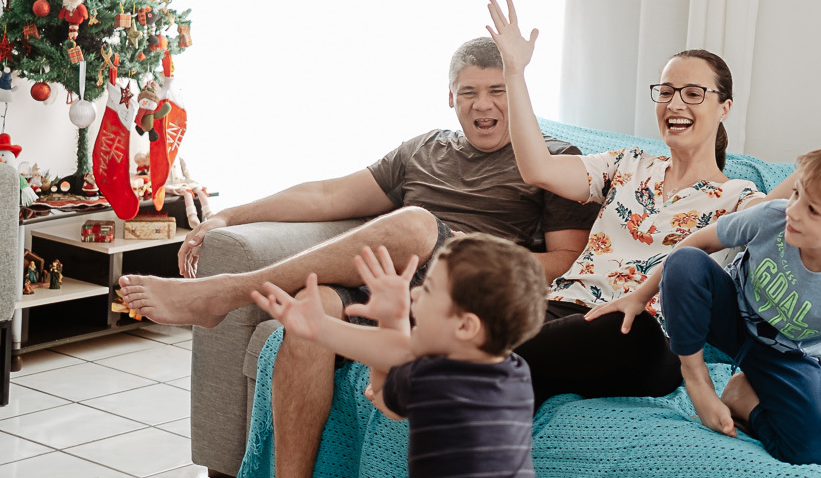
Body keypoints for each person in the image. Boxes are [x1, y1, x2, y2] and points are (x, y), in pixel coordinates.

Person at [117, 37, 598, 476]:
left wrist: (459, 254)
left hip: (458, 292)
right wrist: (229, 216)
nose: (483, 104)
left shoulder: (554, 160)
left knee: (415, 223)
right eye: (468, 91)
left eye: (497, 90)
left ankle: (223, 293)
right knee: (311, 313)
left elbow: (565, 261)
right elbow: (327, 196)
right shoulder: (423, 150)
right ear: (450, 96)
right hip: (390, 290)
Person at [484, 0, 821, 467]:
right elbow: (537, 168)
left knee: (623, 328)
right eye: (665, 91)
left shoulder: (742, 199)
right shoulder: (625, 164)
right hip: (565, 305)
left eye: (693, 92)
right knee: (492, 313)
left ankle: (459, 371)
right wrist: (514, 73)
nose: (675, 102)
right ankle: (484, 387)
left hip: (640, 335)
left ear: (725, 107)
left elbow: (808, 198)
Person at [590, 144, 821, 470]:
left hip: (788, 357)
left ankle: (743, 398)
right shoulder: (772, 217)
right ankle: (696, 377)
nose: (793, 211)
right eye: (797, 194)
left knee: (812, 453)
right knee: (686, 263)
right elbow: (697, 244)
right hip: (730, 317)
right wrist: (639, 296)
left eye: (812, 210)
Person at [252, 237, 548, 478]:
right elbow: (398, 351)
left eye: (429, 289)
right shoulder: (516, 371)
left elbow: (384, 394)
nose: (416, 294)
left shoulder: (429, 377)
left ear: (465, 326)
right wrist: (393, 321)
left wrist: (379, 320)